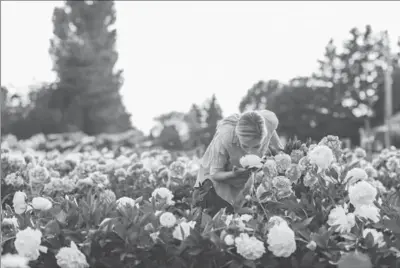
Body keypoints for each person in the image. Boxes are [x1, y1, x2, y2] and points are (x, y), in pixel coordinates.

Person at [192, 109, 284, 216]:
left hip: (241, 174)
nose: (250, 152)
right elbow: (215, 174)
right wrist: (233, 174)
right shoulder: (225, 137)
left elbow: (271, 131)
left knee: (243, 205)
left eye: (256, 146)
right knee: (213, 211)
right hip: (215, 175)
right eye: (245, 146)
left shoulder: (269, 122)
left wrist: (279, 149)